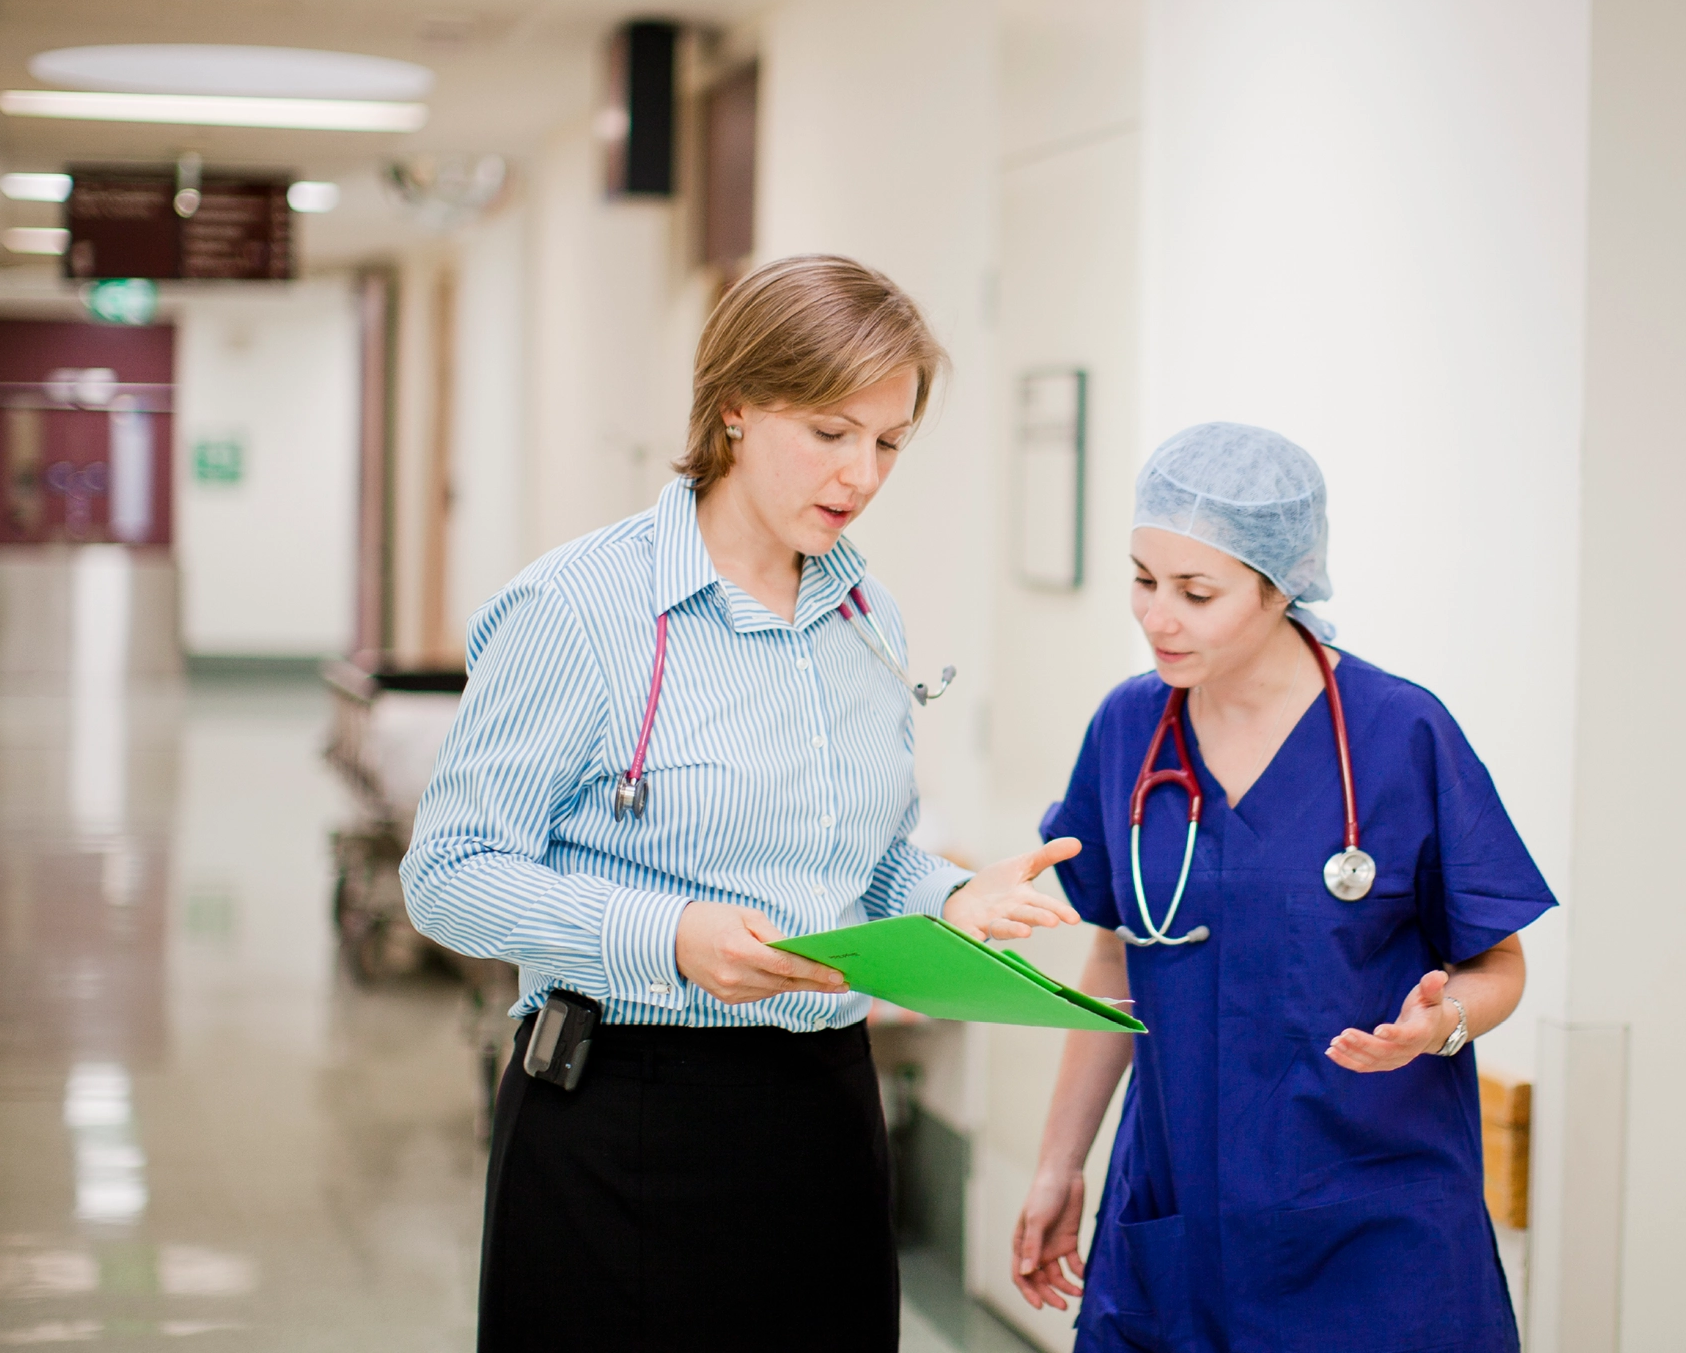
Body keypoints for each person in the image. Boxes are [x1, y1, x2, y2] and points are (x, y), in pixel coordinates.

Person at [402, 255, 1080, 1353]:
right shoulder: (581, 608)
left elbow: (859, 857)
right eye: (828, 431)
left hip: (823, 1108)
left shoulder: (866, 616)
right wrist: (668, 936)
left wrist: (948, 898)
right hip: (623, 1108)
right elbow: (448, 871)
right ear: (733, 407)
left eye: (888, 441)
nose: (860, 472)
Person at [1010, 423, 1556, 1353]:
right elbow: (1116, 953)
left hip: (1378, 1236)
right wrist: (1061, 1162)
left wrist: (1443, 1022)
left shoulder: (1402, 734)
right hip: (1181, 1219)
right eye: (1143, 579)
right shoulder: (1129, 729)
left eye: (1196, 592)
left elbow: (1497, 961)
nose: (1157, 617)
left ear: (1281, 586)